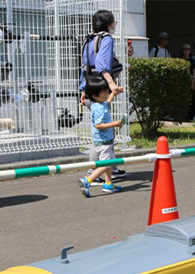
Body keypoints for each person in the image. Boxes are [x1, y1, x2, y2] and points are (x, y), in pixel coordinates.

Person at [79, 10, 125, 182]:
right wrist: (112, 85)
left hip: (91, 87)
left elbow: (85, 66)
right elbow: (101, 65)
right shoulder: (106, 39)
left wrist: (83, 90)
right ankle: (95, 171)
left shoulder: (89, 39)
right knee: (102, 133)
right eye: (113, 22)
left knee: (99, 133)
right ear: (108, 23)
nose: (114, 25)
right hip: (101, 88)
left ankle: (110, 166)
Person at [79, 77, 125, 197]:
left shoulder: (99, 103)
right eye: (104, 91)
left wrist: (114, 93)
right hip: (103, 142)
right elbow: (98, 125)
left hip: (104, 141)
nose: (107, 93)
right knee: (106, 164)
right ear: (95, 95)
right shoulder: (99, 108)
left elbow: (108, 101)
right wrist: (115, 124)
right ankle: (87, 180)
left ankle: (108, 184)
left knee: (108, 162)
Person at [179, 43, 195, 122]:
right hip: (181, 82)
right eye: (184, 49)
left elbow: (194, 72)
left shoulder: (192, 60)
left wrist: (193, 82)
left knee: (193, 100)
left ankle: (194, 115)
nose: (186, 51)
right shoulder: (179, 60)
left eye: (188, 49)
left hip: (190, 82)